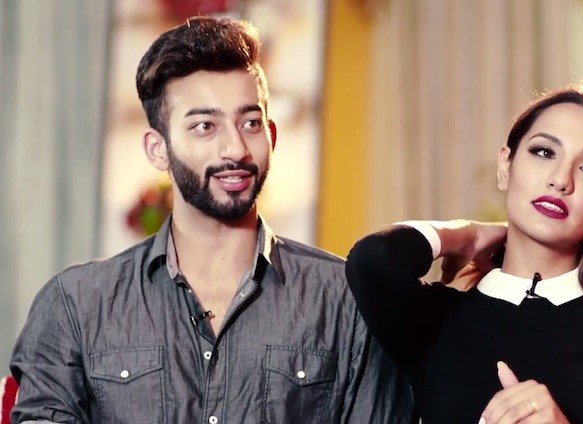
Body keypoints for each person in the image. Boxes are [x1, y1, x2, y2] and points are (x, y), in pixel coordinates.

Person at [10, 16, 413, 423]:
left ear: (271, 136)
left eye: (250, 123)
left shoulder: (345, 300)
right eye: (205, 126)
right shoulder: (76, 304)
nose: (235, 148)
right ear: (158, 149)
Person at [345, 85, 583, 424]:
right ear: (505, 166)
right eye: (544, 152)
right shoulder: (440, 320)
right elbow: (374, 259)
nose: (561, 180)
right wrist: (468, 235)